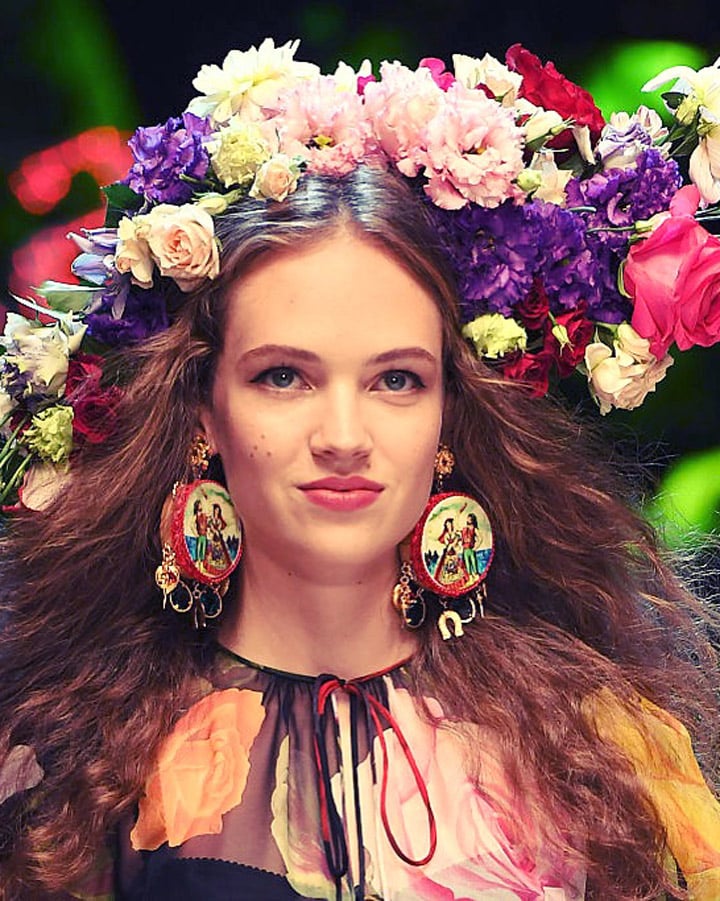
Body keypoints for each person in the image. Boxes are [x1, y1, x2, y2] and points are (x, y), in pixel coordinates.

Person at [1, 39, 720, 901]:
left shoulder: (606, 748)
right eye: (283, 376)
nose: (343, 434)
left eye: (395, 379)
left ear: (448, 415)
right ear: (204, 412)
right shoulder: (73, 766)